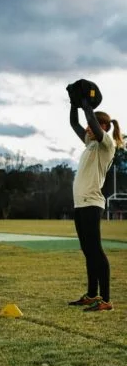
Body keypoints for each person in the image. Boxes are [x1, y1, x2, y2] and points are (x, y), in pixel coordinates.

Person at [68, 97, 123, 312]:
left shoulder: (105, 144)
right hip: (80, 204)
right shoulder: (90, 143)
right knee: (87, 250)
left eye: (90, 126)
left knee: (96, 251)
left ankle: (106, 299)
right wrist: (74, 104)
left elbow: (90, 119)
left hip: (92, 203)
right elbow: (74, 124)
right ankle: (92, 295)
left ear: (101, 127)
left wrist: (87, 106)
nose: (86, 130)